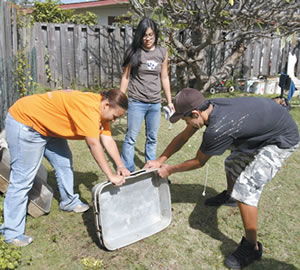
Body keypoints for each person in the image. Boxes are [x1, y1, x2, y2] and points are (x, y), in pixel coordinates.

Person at [145, 88, 299, 269]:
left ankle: (252, 247)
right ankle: (231, 196)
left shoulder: (218, 128)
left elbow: (198, 161)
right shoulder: (209, 106)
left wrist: (169, 170)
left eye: (185, 119)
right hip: (268, 126)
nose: (186, 123)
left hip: (282, 138)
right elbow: (184, 136)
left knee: (245, 187)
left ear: (195, 113)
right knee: (232, 162)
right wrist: (160, 160)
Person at [0, 89, 130, 247]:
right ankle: (11, 232)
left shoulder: (101, 107)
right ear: (107, 105)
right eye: (115, 116)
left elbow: (107, 139)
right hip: (27, 122)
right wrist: (110, 175)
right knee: (22, 179)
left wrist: (120, 165)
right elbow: (94, 144)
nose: (114, 121)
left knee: (64, 163)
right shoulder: (89, 109)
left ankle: (69, 201)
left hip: (49, 126)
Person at [120, 17, 175, 172]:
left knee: (152, 138)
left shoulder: (162, 53)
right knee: (131, 138)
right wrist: (120, 99)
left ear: (155, 34)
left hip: (155, 103)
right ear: (140, 35)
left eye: (151, 35)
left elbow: (164, 77)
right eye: (145, 35)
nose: (148, 38)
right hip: (136, 101)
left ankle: (150, 168)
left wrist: (169, 101)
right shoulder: (133, 52)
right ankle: (128, 170)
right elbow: (126, 77)